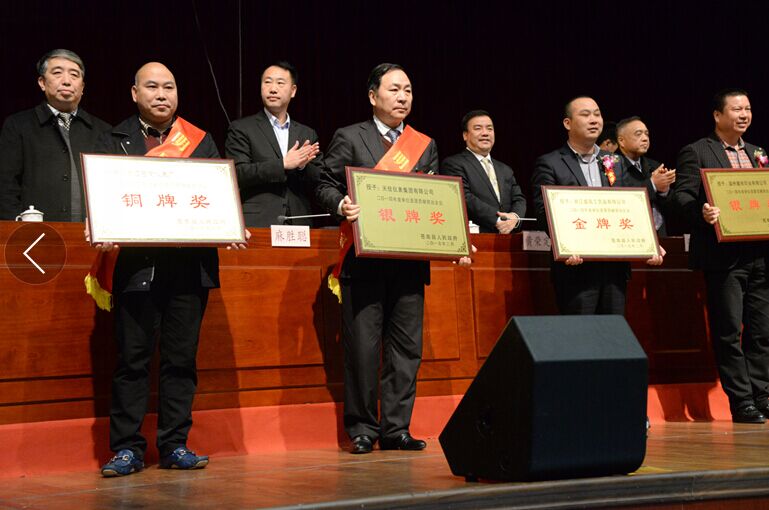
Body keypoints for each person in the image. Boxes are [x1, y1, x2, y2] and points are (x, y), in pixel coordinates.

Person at [94, 62, 240, 476]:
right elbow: (105, 194)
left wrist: (228, 224)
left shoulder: (201, 140)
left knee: (181, 362)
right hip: (136, 269)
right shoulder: (115, 139)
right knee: (132, 361)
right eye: (153, 87)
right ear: (134, 93)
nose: (162, 94)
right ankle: (127, 449)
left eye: (170, 87)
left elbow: (214, 196)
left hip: (189, 270)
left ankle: (175, 444)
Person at [315, 63, 437, 454]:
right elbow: (323, 182)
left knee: (406, 349)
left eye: (408, 90)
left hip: (409, 262)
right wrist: (340, 203)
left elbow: (433, 197)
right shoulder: (350, 137)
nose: (403, 97)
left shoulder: (424, 144)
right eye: (394, 89)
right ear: (373, 96)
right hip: (363, 261)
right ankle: (363, 428)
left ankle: (397, 428)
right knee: (363, 349)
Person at [673, 88, 769, 424]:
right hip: (723, 258)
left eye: (748, 109)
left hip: (760, 255)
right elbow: (681, 197)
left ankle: (763, 395)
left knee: (762, 331)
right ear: (717, 115)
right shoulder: (697, 151)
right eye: (736, 109)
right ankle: (741, 401)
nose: (744, 115)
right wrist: (701, 211)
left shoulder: (758, 153)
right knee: (729, 331)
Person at [531, 96, 663, 315]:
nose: (594, 120)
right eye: (585, 115)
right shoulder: (551, 163)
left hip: (614, 269)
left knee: (612, 331)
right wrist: (565, 246)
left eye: (597, 114)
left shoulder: (614, 161)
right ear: (567, 123)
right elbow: (544, 211)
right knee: (581, 332)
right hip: (575, 268)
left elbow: (629, 206)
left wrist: (649, 243)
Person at [0, 49, 110, 221]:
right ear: (42, 82)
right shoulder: (18, 125)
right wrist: (17, 229)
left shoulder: (103, 131)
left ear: (82, 87)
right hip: (35, 231)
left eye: (74, 75)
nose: (66, 81)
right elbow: (6, 185)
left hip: (91, 232)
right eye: (57, 73)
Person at [225, 61, 322, 227]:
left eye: (280, 83)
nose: (273, 89)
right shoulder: (241, 128)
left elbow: (319, 179)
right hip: (258, 222)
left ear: (293, 91)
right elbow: (237, 174)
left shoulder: (306, 133)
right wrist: (282, 164)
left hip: (298, 222)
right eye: (267, 82)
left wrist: (301, 167)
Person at [440, 110, 526, 233]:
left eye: (489, 129)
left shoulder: (505, 169)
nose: (485, 133)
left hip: (508, 237)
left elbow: (519, 199)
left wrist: (515, 217)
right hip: (476, 236)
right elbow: (464, 197)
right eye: (478, 128)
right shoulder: (453, 164)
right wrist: (498, 219)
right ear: (465, 135)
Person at [616, 116, 676, 236]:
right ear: (621, 141)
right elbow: (620, 199)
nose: (645, 139)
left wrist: (664, 191)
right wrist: (653, 184)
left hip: (659, 236)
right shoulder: (612, 165)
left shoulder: (654, 166)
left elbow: (674, 211)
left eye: (646, 134)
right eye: (638, 134)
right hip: (628, 234)